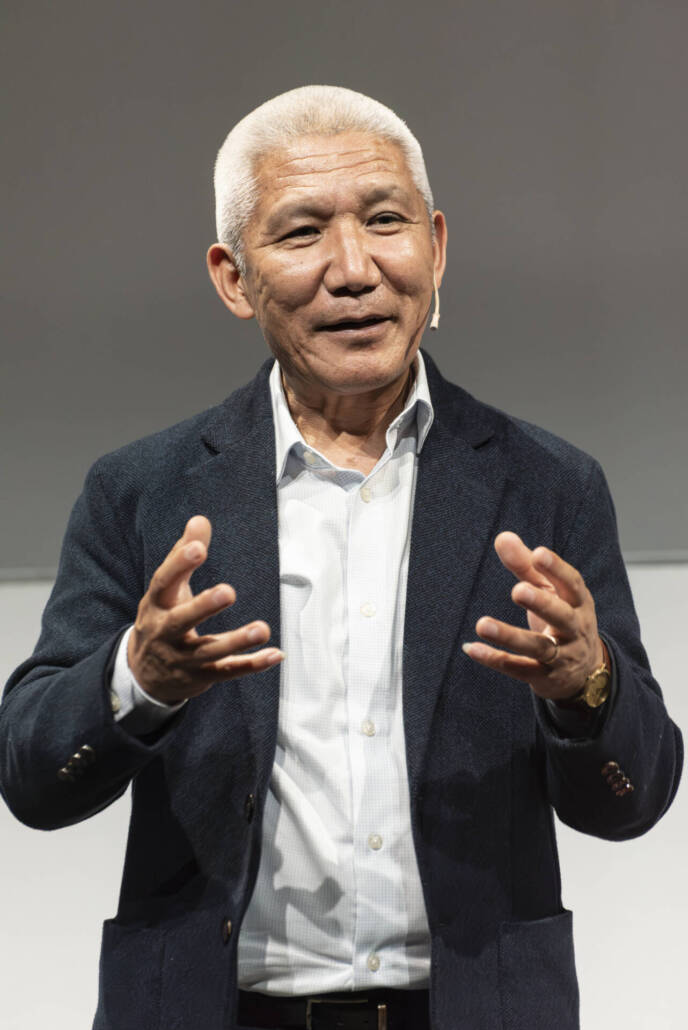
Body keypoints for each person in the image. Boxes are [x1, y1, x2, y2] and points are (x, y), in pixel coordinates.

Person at [0, 85, 682, 1030]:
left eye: (386, 222)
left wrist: (587, 686)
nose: (354, 270)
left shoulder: (547, 485)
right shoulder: (141, 490)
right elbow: (33, 779)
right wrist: (136, 681)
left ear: (436, 248)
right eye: (301, 233)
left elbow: (632, 802)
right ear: (234, 277)